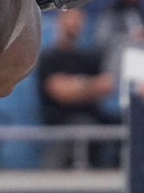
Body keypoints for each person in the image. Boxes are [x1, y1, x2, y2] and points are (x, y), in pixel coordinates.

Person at [37, 9, 116, 168]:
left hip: (95, 122)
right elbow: (60, 92)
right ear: (60, 21)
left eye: (78, 20)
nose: (74, 24)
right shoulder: (49, 58)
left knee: (119, 126)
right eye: (70, 19)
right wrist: (90, 87)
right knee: (83, 125)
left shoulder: (89, 57)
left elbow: (107, 85)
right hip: (60, 126)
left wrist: (76, 86)